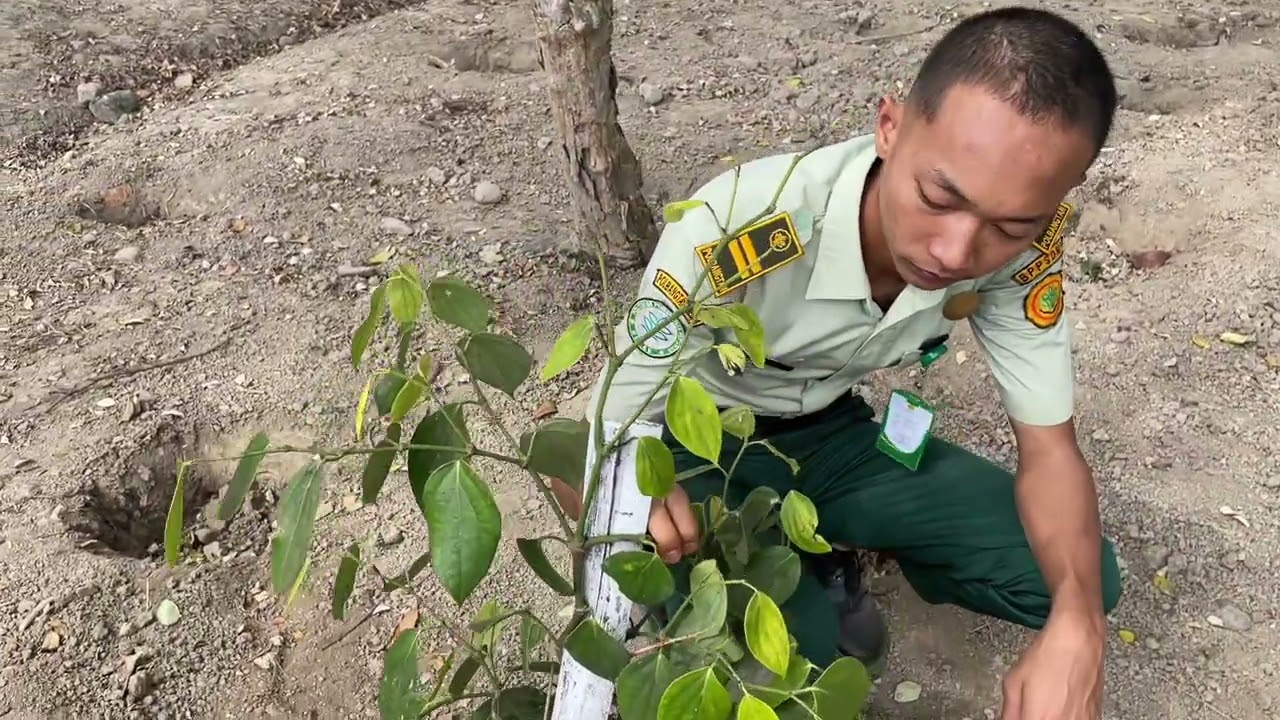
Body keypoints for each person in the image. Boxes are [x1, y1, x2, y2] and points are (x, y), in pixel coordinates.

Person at [559, 6, 1122, 719]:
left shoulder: (1026, 252)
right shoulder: (736, 226)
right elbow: (610, 427)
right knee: (796, 668)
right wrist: (637, 492)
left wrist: (1079, 626)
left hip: (834, 437)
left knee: (1084, 578)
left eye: (1011, 227)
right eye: (939, 197)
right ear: (890, 126)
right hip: (699, 441)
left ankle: (827, 543)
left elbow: (1050, 449)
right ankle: (788, 560)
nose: (955, 253)